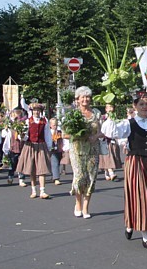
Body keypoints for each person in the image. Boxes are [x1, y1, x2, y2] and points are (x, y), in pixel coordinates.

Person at [102, 95, 147, 250]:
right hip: (135, 162)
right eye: (141, 104)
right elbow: (111, 132)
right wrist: (112, 116)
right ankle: (146, 236)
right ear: (135, 106)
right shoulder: (128, 123)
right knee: (141, 197)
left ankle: (130, 223)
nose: (145, 107)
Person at [67, 86, 102, 219]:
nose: (85, 99)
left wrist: (96, 136)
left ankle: (86, 206)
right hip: (77, 149)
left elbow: (101, 131)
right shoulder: (72, 114)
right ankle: (78, 204)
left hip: (93, 149)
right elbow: (65, 134)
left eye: (87, 97)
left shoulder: (96, 113)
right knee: (80, 177)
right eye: (83, 97)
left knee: (91, 177)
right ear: (78, 99)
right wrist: (78, 135)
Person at [17, 104, 53, 199]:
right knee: (32, 169)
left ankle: (42, 191)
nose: (36, 112)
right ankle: (33, 190)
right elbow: (24, 136)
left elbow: (47, 134)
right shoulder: (27, 121)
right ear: (32, 111)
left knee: (42, 169)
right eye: (35, 110)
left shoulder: (44, 121)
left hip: (41, 146)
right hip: (30, 146)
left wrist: (49, 147)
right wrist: (22, 136)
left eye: (38, 110)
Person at [99, 104, 122, 182]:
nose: (110, 109)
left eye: (112, 107)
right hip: (106, 142)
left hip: (113, 141)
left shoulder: (115, 121)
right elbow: (102, 132)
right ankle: (111, 173)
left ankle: (107, 172)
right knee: (108, 157)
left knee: (113, 156)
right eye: (108, 107)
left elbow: (117, 131)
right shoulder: (105, 122)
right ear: (106, 109)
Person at [48, 117, 64, 186]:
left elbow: (62, 140)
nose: (55, 126)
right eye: (54, 125)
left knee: (57, 163)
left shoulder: (59, 132)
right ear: (50, 125)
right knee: (54, 162)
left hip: (59, 149)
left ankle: (53, 175)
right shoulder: (48, 132)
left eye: (56, 125)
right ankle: (56, 178)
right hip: (51, 149)